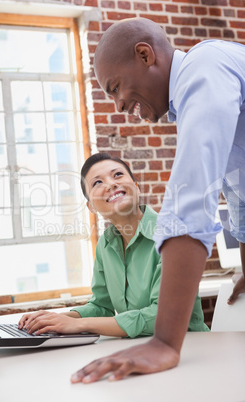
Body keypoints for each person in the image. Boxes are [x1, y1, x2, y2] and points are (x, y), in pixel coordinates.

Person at [70, 17, 245, 384]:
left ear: (145, 55)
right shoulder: (193, 101)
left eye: (115, 87)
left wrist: (164, 342)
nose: (117, 105)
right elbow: (239, 192)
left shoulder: (205, 68)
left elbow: (192, 197)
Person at [18, 152, 208, 338]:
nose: (111, 184)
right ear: (91, 206)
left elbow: (163, 315)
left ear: (136, 187)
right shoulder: (106, 244)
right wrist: (56, 319)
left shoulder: (174, 236)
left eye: (117, 174)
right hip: (140, 351)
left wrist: (78, 324)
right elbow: (101, 306)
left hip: (189, 349)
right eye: (97, 183)